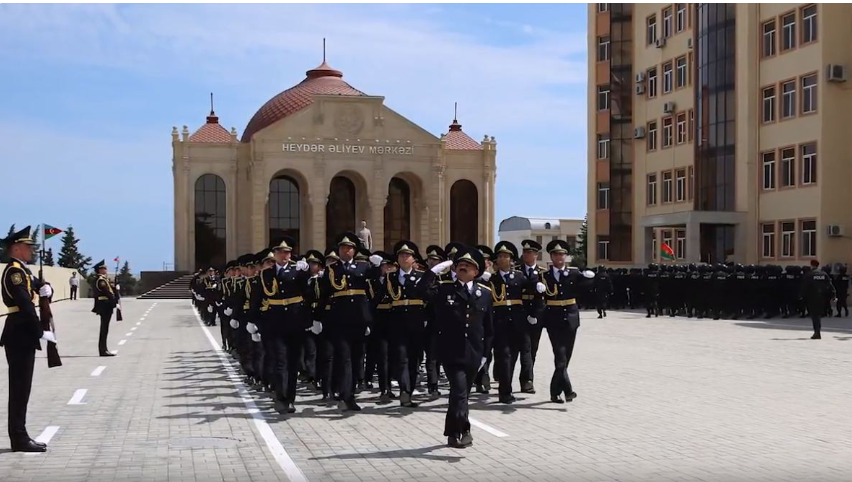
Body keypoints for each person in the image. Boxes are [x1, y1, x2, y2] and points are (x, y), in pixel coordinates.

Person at [420, 246, 491, 448]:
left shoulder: (484, 293)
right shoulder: (444, 289)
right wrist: (433, 271)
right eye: (460, 265)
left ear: (475, 272)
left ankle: (452, 433)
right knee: (459, 392)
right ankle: (464, 430)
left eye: (467, 266)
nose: (462, 268)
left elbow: (489, 327)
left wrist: (486, 354)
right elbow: (421, 290)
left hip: (474, 353)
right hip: (451, 351)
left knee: (461, 394)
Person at [316, 233, 380, 412]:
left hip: (359, 320)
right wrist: (317, 318)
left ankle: (350, 394)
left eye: (350, 247)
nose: (346, 250)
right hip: (339, 320)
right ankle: (345, 396)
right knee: (344, 358)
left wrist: (377, 263)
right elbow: (323, 295)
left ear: (354, 251)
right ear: (339, 251)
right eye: (343, 248)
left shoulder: (363, 266)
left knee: (357, 359)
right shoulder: (331, 270)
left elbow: (376, 278)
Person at [1, 226, 49, 452]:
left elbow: (34, 285)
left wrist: (44, 286)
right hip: (19, 332)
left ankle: (21, 435)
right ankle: (19, 438)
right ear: (17, 248)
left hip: (22, 331)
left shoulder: (23, 270)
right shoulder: (14, 272)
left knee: (23, 388)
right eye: (28, 247)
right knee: (19, 389)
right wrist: (40, 331)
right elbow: (25, 303)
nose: (32, 251)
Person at [259, 237, 311, 414]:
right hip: (274, 322)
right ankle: (281, 398)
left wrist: (307, 273)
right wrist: (255, 321)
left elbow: (308, 294)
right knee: (280, 361)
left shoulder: (298, 271)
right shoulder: (266, 274)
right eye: (281, 252)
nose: (284, 255)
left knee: (293, 362)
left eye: (287, 252)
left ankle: (290, 398)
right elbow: (259, 299)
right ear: (274, 254)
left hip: (295, 321)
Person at [487, 241, 544, 404]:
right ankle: (504, 392)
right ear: (496, 261)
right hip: (500, 321)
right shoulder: (492, 279)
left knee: (522, 353)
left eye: (506, 256)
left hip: (519, 322)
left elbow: (533, 286)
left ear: (511, 260)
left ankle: (522, 382)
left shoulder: (519, 277)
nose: (503, 259)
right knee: (504, 357)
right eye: (500, 256)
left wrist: (538, 286)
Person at [541, 240, 595, 404]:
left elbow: (586, 290)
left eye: (562, 254)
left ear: (566, 256)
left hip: (571, 318)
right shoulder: (544, 276)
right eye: (556, 254)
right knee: (560, 355)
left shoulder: (574, 273)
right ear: (551, 257)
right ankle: (568, 390)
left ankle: (555, 392)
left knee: (566, 357)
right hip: (553, 318)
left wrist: (590, 278)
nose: (560, 257)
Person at [382, 241, 431, 408]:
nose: (404, 257)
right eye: (401, 255)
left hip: (416, 322)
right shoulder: (390, 277)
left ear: (413, 259)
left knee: (415, 359)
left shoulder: (421, 277)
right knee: (401, 357)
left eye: (407, 255)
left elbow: (428, 298)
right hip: (397, 322)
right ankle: (404, 390)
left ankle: (408, 390)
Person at [518, 239, 544, 394]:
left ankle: (527, 378)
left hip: (536, 314)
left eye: (530, 252)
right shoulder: (517, 271)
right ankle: (527, 381)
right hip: (520, 312)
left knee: (532, 349)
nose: (526, 255)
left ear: (536, 255)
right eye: (525, 252)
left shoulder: (542, 273)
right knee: (523, 348)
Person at [800, 260, 836, 340]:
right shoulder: (824, 274)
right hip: (822, 298)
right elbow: (830, 285)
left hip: (812, 298)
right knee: (818, 315)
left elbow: (804, 287)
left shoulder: (809, 275)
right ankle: (817, 331)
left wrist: (802, 296)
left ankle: (817, 332)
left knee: (815, 315)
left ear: (811, 265)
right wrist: (833, 296)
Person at [91, 260, 117, 357]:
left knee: (105, 328)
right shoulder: (100, 280)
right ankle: (103, 350)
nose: (106, 270)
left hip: (105, 305)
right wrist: (114, 299)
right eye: (104, 268)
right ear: (100, 270)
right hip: (104, 305)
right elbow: (107, 292)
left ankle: (104, 349)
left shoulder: (103, 279)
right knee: (104, 328)